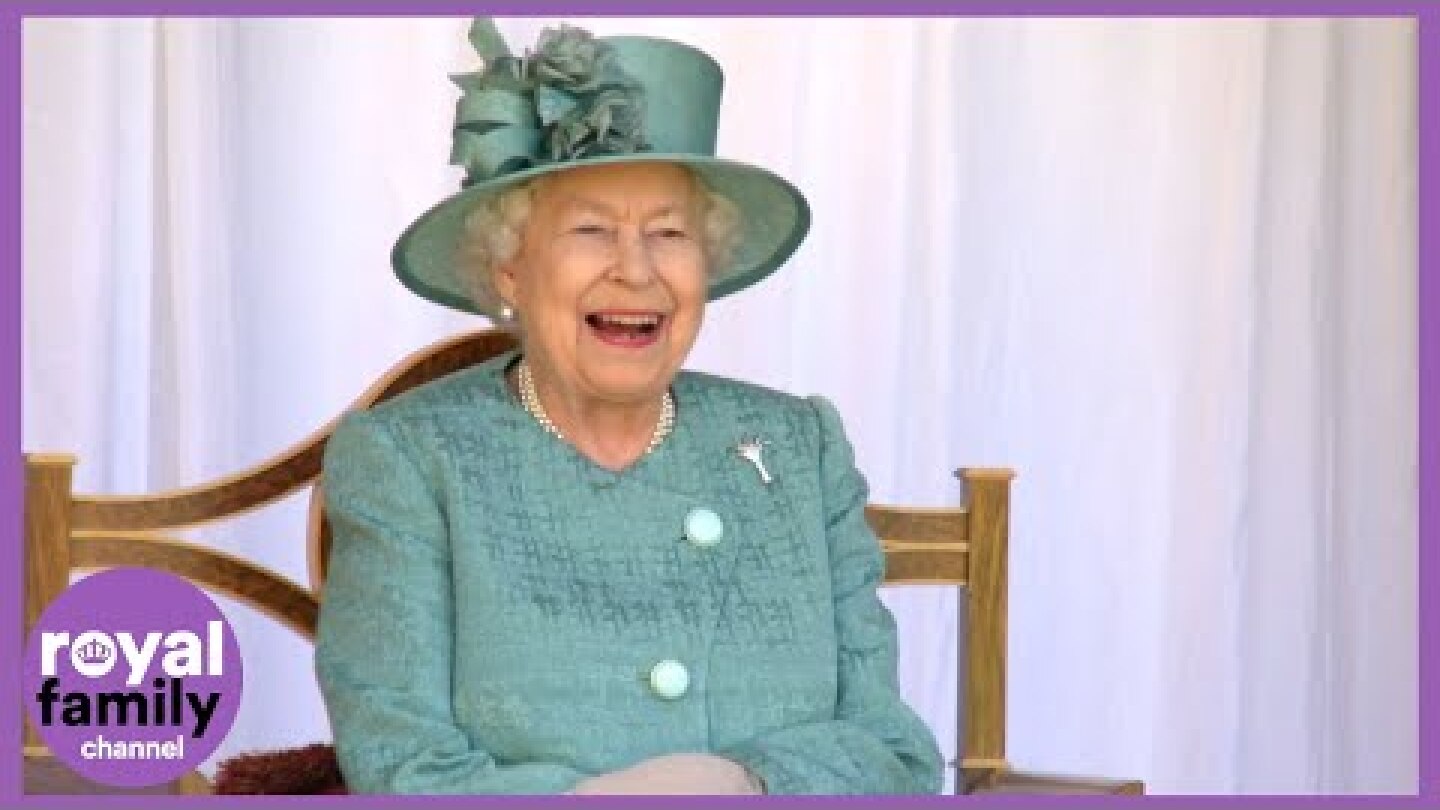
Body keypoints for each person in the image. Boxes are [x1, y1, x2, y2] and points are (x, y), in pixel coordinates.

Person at [313, 19, 944, 795]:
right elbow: (402, 770)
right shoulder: (409, 461)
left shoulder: (799, 447)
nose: (636, 270)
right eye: (590, 230)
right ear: (510, 269)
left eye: (670, 233)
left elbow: (896, 756)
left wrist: (744, 784)